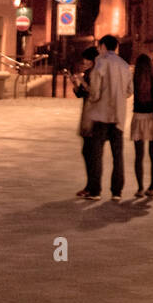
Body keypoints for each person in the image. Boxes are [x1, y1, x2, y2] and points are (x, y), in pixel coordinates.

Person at [85, 34, 133, 201]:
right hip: (118, 115)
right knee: (117, 155)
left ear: (103, 46)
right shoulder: (125, 65)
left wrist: (93, 98)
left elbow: (95, 90)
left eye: (100, 46)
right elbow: (129, 91)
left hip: (101, 114)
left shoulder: (101, 62)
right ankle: (116, 191)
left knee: (96, 153)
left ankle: (96, 191)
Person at [130, 53, 153, 200]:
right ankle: (152, 188)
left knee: (139, 156)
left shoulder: (134, 80)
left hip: (138, 118)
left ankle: (139, 188)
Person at [69, 46, 99, 197]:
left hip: (93, 117)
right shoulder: (88, 74)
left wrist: (83, 81)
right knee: (87, 152)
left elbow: (94, 94)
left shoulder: (97, 75)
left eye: (87, 60)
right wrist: (74, 83)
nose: (85, 62)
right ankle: (90, 185)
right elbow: (81, 94)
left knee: (91, 153)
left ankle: (93, 187)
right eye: (84, 60)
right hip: (87, 115)